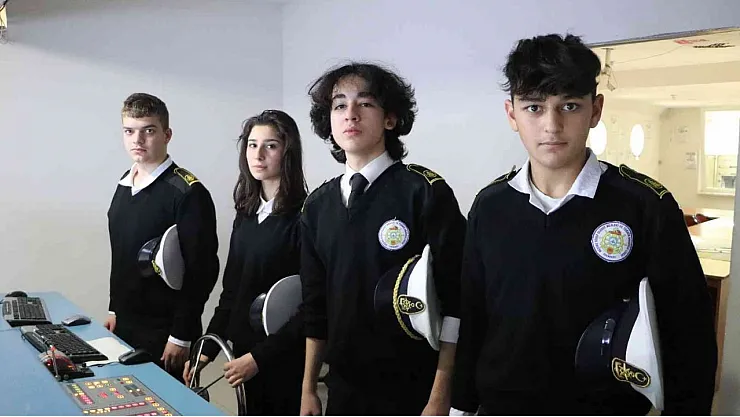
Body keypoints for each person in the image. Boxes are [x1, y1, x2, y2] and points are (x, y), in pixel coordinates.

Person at [451, 34, 717, 415]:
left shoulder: (645, 206)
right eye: (534, 107)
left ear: (595, 110)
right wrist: (461, 406)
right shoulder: (490, 207)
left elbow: (689, 334)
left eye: (569, 106)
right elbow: (474, 317)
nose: (552, 125)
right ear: (512, 114)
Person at [299, 62, 467, 416]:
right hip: (343, 389)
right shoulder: (316, 206)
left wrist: (441, 395)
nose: (351, 114)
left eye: (365, 103)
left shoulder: (424, 192)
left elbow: (457, 302)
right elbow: (315, 308)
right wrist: (308, 388)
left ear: (390, 118)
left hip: (413, 389)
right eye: (339, 105)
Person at [183, 110, 308, 415]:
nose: (258, 154)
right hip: (243, 357)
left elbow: (311, 307)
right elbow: (233, 292)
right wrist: (204, 351)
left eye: (270, 146)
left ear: (288, 152)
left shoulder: (306, 216)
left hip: (282, 359)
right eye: (252, 145)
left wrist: (258, 358)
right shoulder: (246, 215)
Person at [105, 93, 220, 380]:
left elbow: (202, 271)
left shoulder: (187, 192)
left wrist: (181, 335)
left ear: (167, 135)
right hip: (126, 325)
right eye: (129, 131)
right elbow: (121, 255)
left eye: (148, 131)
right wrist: (114, 309)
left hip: (166, 333)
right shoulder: (124, 183)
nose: (137, 140)